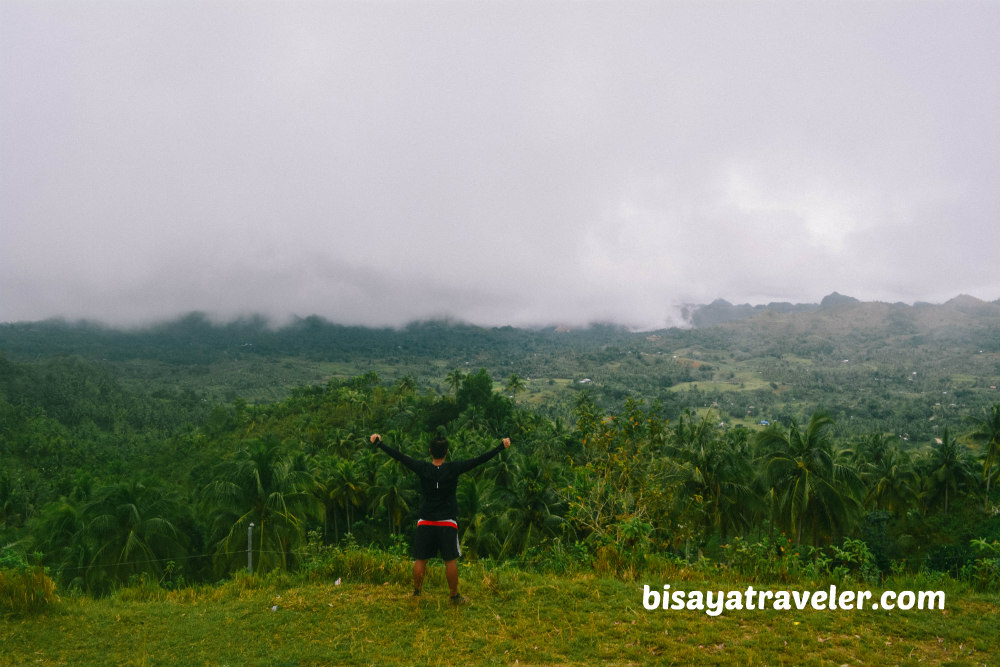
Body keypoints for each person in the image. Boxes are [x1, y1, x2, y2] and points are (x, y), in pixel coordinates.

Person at [369, 429, 510, 605]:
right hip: (447, 521)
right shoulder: (454, 468)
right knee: (450, 559)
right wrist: (500, 447)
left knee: (421, 558)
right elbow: (479, 460)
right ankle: (453, 596)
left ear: (430, 451)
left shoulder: (423, 467)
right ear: (447, 452)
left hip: (426, 520)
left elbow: (400, 456)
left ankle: (417, 593)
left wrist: (379, 443)